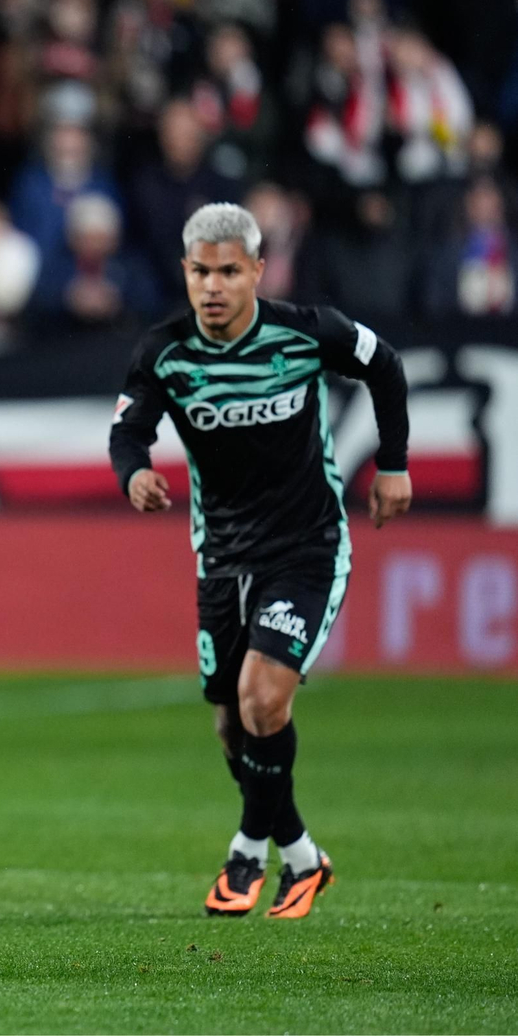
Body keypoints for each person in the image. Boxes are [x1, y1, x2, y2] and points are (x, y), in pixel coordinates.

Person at [109, 202, 411, 920]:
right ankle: (303, 858)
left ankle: (248, 849)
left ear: (257, 272)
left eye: (228, 272)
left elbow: (387, 366)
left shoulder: (306, 332)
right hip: (222, 554)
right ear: (185, 273)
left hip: (308, 546)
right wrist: (134, 473)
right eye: (200, 272)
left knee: (264, 697)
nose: (213, 287)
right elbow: (128, 429)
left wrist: (394, 466)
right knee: (231, 725)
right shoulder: (164, 350)